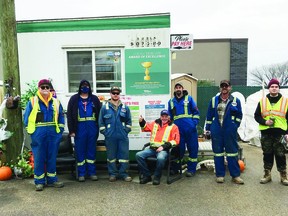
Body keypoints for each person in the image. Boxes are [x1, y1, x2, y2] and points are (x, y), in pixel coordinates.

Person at [23, 79, 65, 191]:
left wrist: (60, 131)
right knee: (39, 158)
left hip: (53, 134)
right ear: (39, 89)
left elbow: (61, 117)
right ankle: (39, 181)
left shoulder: (56, 102)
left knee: (52, 157)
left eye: (47, 87)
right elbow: (26, 119)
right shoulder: (32, 102)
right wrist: (32, 133)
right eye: (43, 87)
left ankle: (52, 179)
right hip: (38, 134)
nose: (45, 89)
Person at [205, 80, 244, 184]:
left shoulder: (236, 100)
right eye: (222, 86)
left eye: (226, 86)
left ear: (230, 88)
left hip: (229, 130)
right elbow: (209, 116)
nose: (224, 88)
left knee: (232, 153)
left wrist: (234, 126)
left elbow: (239, 115)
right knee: (218, 153)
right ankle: (220, 175)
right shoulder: (213, 100)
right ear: (220, 88)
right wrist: (208, 129)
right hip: (217, 130)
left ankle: (235, 176)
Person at [254, 78, 288, 186]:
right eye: (272, 86)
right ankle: (267, 174)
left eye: (276, 87)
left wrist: (287, 133)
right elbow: (257, 116)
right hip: (266, 132)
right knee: (267, 154)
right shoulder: (262, 101)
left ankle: (283, 176)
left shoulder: (285, 102)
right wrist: (264, 122)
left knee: (280, 154)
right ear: (269, 88)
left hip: (280, 133)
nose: (274, 88)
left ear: (279, 89)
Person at [67, 80, 101, 182]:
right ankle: (81, 173)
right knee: (80, 151)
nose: (85, 87)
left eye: (86, 86)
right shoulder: (74, 99)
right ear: (79, 87)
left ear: (90, 87)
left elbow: (99, 114)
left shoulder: (94, 99)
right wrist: (71, 130)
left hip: (92, 128)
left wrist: (98, 128)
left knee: (91, 151)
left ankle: (92, 173)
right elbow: (69, 116)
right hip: (79, 128)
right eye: (83, 86)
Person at [136, 109, 180, 185]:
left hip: (164, 150)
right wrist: (141, 121)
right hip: (152, 149)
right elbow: (145, 127)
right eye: (162, 116)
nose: (164, 118)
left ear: (169, 117)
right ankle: (147, 176)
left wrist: (163, 146)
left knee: (161, 158)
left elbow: (176, 141)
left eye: (166, 116)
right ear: (160, 117)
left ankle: (157, 176)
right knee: (138, 155)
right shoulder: (155, 124)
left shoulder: (173, 127)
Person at [98, 86, 132, 182]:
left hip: (122, 136)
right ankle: (113, 174)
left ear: (119, 94)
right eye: (114, 93)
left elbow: (129, 122)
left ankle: (124, 174)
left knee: (124, 156)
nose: (115, 95)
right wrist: (106, 133)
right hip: (110, 137)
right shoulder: (105, 108)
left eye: (117, 93)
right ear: (110, 94)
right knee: (111, 157)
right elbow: (101, 122)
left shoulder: (125, 108)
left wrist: (125, 131)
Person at [168, 82, 200, 177]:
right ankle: (176, 169)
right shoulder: (171, 102)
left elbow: (196, 112)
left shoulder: (189, 99)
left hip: (190, 130)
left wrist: (193, 124)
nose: (178, 89)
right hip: (178, 131)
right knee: (178, 150)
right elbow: (169, 117)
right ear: (174, 90)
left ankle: (191, 170)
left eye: (180, 87)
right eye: (176, 88)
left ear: (182, 89)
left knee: (193, 149)